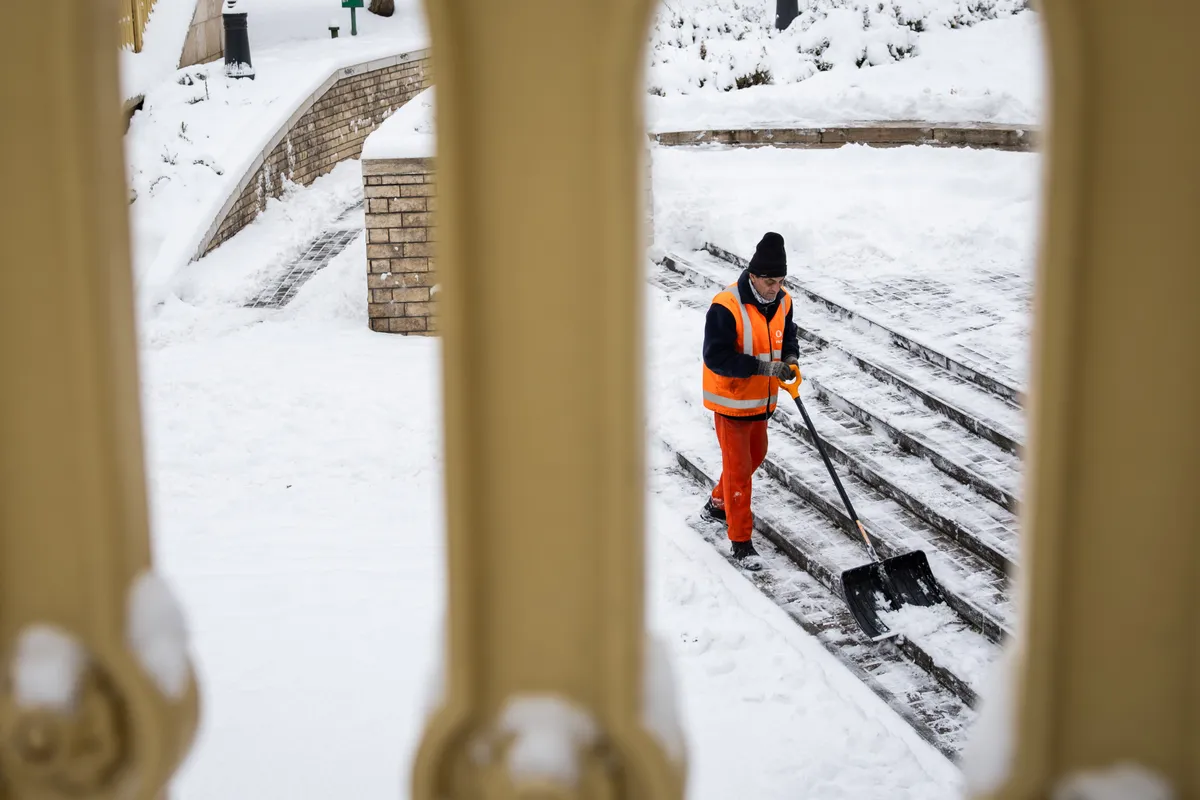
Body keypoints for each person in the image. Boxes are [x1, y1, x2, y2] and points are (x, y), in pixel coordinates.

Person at [700, 231, 800, 569]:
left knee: (756, 455)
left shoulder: (783, 301)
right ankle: (740, 541)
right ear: (753, 275)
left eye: (780, 280)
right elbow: (716, 357)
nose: (775, 287)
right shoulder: (726, 305)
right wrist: (763, 367)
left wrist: (790, 358)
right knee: (740, 472)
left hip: (760, 404)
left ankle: (717, 503)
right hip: (731, 403)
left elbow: (789, 334)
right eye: (769, 281)